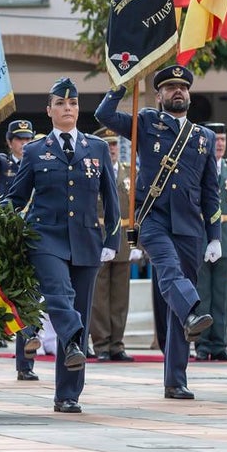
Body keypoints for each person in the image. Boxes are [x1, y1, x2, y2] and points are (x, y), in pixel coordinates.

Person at [96, 65, 217, 400]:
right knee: (169, 271)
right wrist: (123, 83)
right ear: (160, 95)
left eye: (182, 87)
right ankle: (193, 308)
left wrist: (216, 234)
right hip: (152, 218)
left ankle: (176, 380)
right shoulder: (146, 122)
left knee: (176, 304)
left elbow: (211, 192)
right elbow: (104, 113)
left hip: (191, 226)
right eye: (169, 87)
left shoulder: (202, 137)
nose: (177, 91)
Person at [5, 78, 118, 413]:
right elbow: (17, 197)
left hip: (86, 239)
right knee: (58, 295)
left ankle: (67, 395)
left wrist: (112, 239)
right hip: (45, 236)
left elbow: (110, 199)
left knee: (78, 310)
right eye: (60, 103)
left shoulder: (96, 147)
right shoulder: (35, 150)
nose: (67, 109)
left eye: (72, 103)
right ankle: (72, 343)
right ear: (49, 110)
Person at [0, 119, 43, 376]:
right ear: (9, 142)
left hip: (34, 236)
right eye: (19, 140)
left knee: (31, 297)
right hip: (8, 239)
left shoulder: (40, 161)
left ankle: (26, 361)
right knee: (8, 294)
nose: (24, 144)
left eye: (28, 139)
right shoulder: (4, 163)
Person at [89, 129, 143, 362]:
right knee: (99, 296)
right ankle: (101, 344)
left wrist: (137, 242)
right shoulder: (92, 171)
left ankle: (116, 344)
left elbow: (137, 208)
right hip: (99, 236)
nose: (111, 149)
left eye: (114, 145)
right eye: (107, 145)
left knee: (121, 296)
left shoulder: (130, 172)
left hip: (123, 237)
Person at [196, 122, 227, 361]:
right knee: (202, 294)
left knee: (222, 295)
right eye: (216, 140)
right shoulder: (199, 165)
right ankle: (202, 344)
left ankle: (220, 343)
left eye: (223, 139)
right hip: (201, 236)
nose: (220, 144)